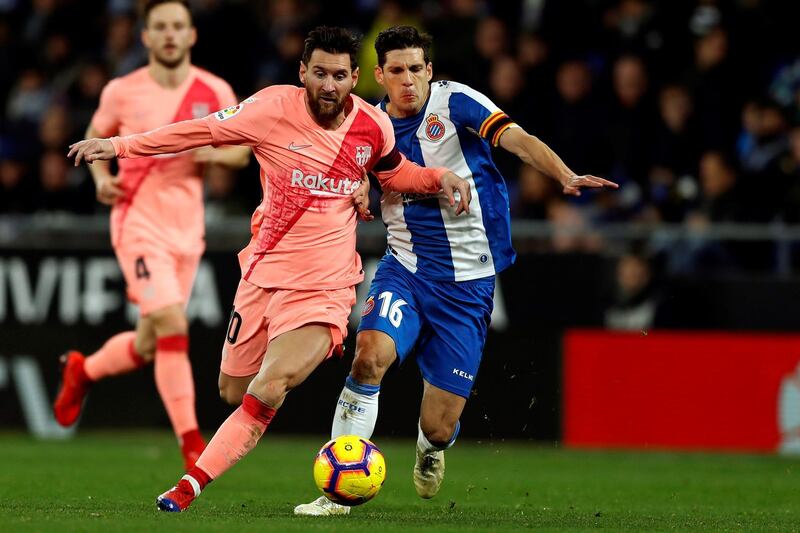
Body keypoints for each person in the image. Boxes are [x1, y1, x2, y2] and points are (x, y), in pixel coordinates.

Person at [67, 25, 472, 513]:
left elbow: (394, 172)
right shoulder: (269, 109)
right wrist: (121, 146)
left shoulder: (373, 126)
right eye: (319, 73)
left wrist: (436, 177)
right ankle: (286, 363)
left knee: (268, 388)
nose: (328, 84)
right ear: (303, 72)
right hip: (262, 275)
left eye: (339, 75)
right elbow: (202, 130)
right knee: (232, 390)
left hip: (325, 287)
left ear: (355, 76)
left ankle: (188, 486)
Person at [294, 26, 617, 516]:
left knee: (440, 425)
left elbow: (519, 139)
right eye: (396, 70)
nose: (408, 80)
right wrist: (359, 189)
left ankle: (431, 450)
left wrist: (563, 174)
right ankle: (336, 494)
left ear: (430, 71)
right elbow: (353, 173)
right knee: (368, 356)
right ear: (379, 75)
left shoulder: (457, 103)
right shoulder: (366, 123)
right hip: (405, 267)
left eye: (416, 69)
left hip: (468, 283)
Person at [53, 0, 250, 471]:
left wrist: (205, 153)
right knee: (172, 327)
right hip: (136, 222)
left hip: (187, 229)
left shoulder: (213, 89)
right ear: (145, 37)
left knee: (148, 344)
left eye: (177, 26)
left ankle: (84, 369)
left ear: (191, 35)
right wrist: (102, 182)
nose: (169, 35)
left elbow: (242, 152)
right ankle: (192, 444)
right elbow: (95, 136)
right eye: (159, 27)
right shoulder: (123, 91)